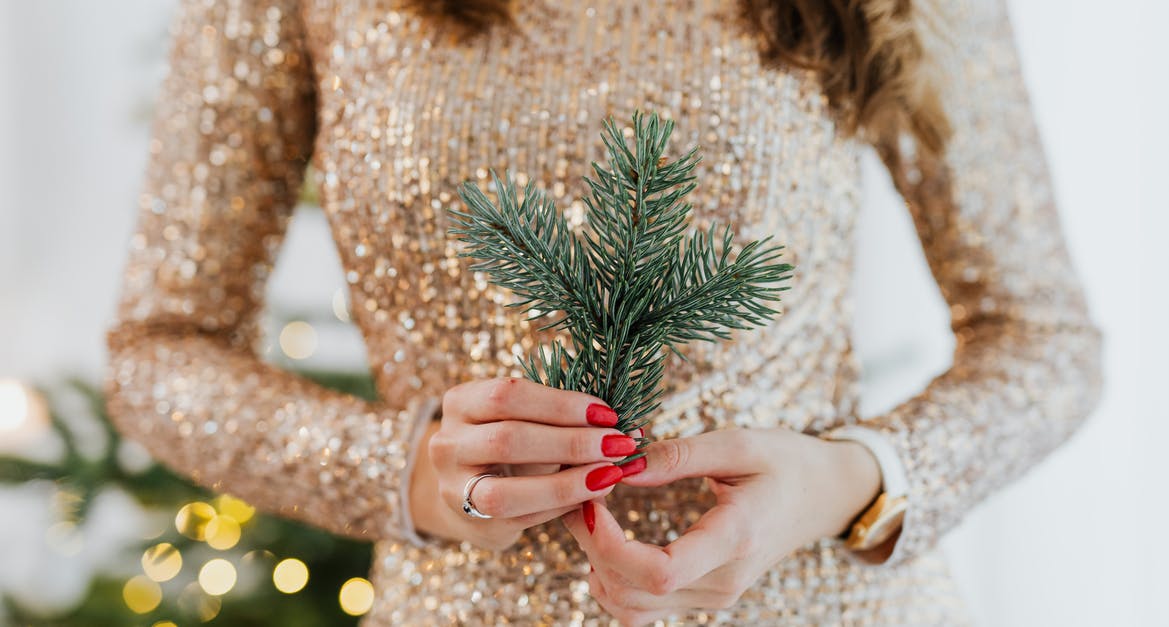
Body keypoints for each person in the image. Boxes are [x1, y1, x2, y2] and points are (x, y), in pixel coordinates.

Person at [103, 0, 1104, 624]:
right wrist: (397, 469)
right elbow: (161, 351)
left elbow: (1044, 339)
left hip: (822, 608)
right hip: (461, 610)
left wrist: (851, 479)